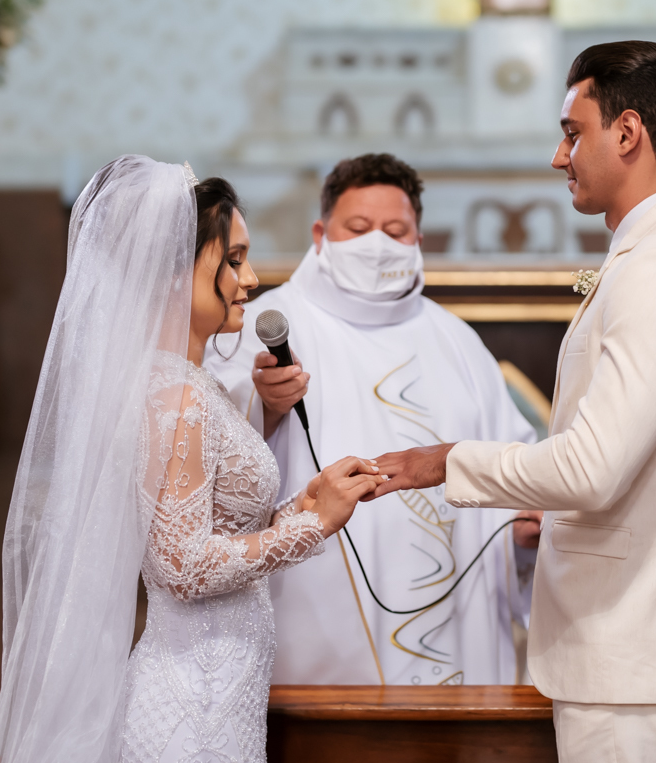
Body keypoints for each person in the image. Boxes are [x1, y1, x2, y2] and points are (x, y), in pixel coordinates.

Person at [371, 41, 656, 762]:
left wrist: (445, 461)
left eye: (573, 133)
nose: (559, 157)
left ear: (628, 132)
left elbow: (592, 468)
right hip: (628, 647)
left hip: (637, 653)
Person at [0, 156, 382, 763]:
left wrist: (300, 507)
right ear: (173, 272)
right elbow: (182, 567)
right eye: (233, 260)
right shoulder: (177, 396)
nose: (250, 280)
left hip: (219, 697)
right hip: (193, 708)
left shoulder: (193, 386)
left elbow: (208, 531)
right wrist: (313, 528)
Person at [204, 154, 540, 687]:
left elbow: (512, 477)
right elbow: (205, 459)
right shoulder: (265, 326)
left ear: (418, 240)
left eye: (395, 231)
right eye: (358, 229)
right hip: (320, 627)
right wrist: (264, 407)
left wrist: (520, 533)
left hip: (459, 616)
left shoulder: (458, 342)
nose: (377, 243)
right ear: (320, 235)